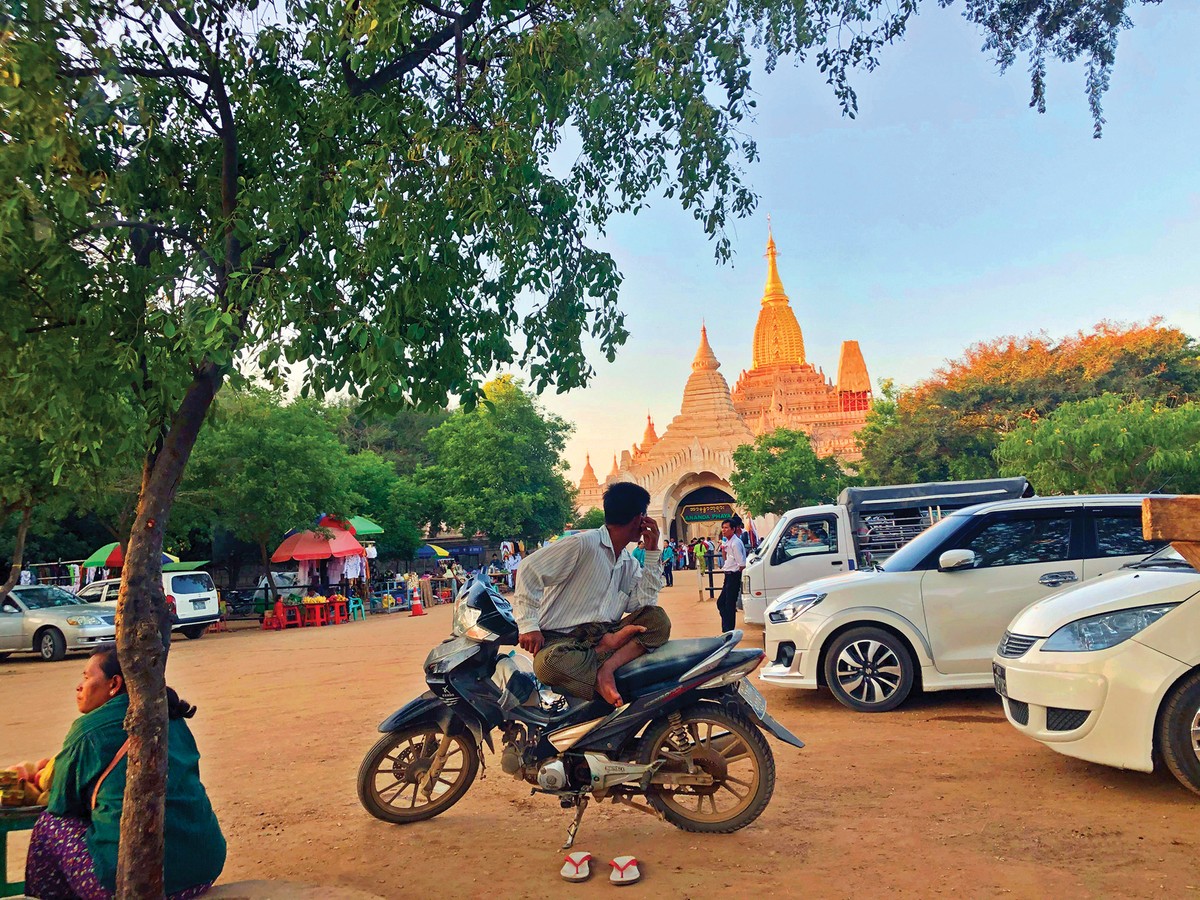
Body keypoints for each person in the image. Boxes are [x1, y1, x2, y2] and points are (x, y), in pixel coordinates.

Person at [24, 646, 225, 899]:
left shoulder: (89, 730)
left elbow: (63, 803)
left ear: (114, 684)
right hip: (201, 870)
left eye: (86, 677)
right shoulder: (169, 713)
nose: (79, 686)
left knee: (50, 826)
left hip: (135, 887)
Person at [512, 482, 670, 707]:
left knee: (657, 619)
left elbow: (644, 605)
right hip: (562, 641)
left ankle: (606, 668)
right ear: (639, 519)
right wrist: (528, 625)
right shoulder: (582, 545)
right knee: (546, 666)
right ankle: (605, 652)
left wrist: (653, 552)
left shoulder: (629, 563)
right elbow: (529, 569)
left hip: (606, 632)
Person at [716, 519, 746, 633]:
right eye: (723, 527)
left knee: (729, 604)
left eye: (726, 528)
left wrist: (736, 574)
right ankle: (726, 628)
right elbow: (727, 559)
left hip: (733, 575)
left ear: (733, 529)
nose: (724, 530)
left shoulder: (735, 543)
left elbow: (741, 563)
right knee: (721, 603)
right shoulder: (728, 542)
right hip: (728, 575)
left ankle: (729, 629)